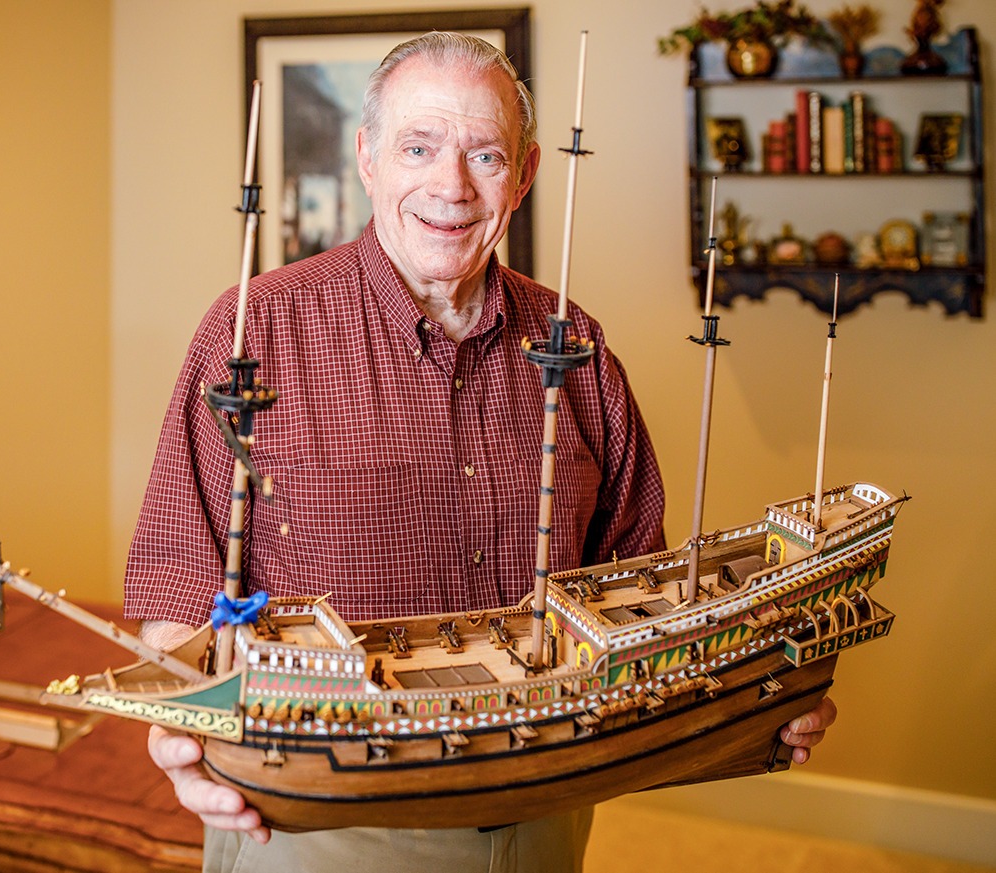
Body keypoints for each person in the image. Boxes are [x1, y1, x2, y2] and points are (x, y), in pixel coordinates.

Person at [126, 31, 837, 873]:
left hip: (538, 810)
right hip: (320, 822)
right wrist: (180, 723)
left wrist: (759, 699)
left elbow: (637, 596)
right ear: (366, 157)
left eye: (485, 155)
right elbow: (177, 580)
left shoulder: (577, 350)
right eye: (417, 147)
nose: (450, 187)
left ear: (526, 174)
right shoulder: (255, 330)